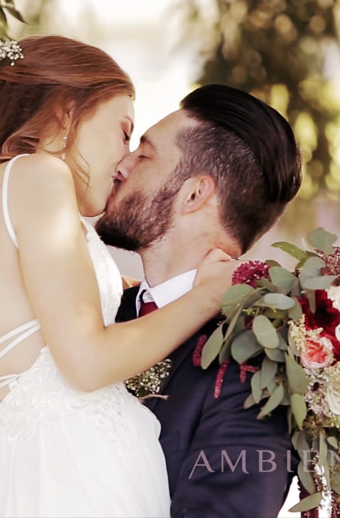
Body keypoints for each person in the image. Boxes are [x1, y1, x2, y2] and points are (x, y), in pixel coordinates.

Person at [0, 37, 237, 517]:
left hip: (5, 469)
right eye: (122, 132)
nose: (123, 162)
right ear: (63, 113)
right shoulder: (38, 175)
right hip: (74, 471)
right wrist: (207, 296)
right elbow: (87, 361)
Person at [96, 83, 304, 517]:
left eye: (144, 154)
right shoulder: (94, 317)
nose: (119, 165)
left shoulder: (255, 368)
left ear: (194, 194)